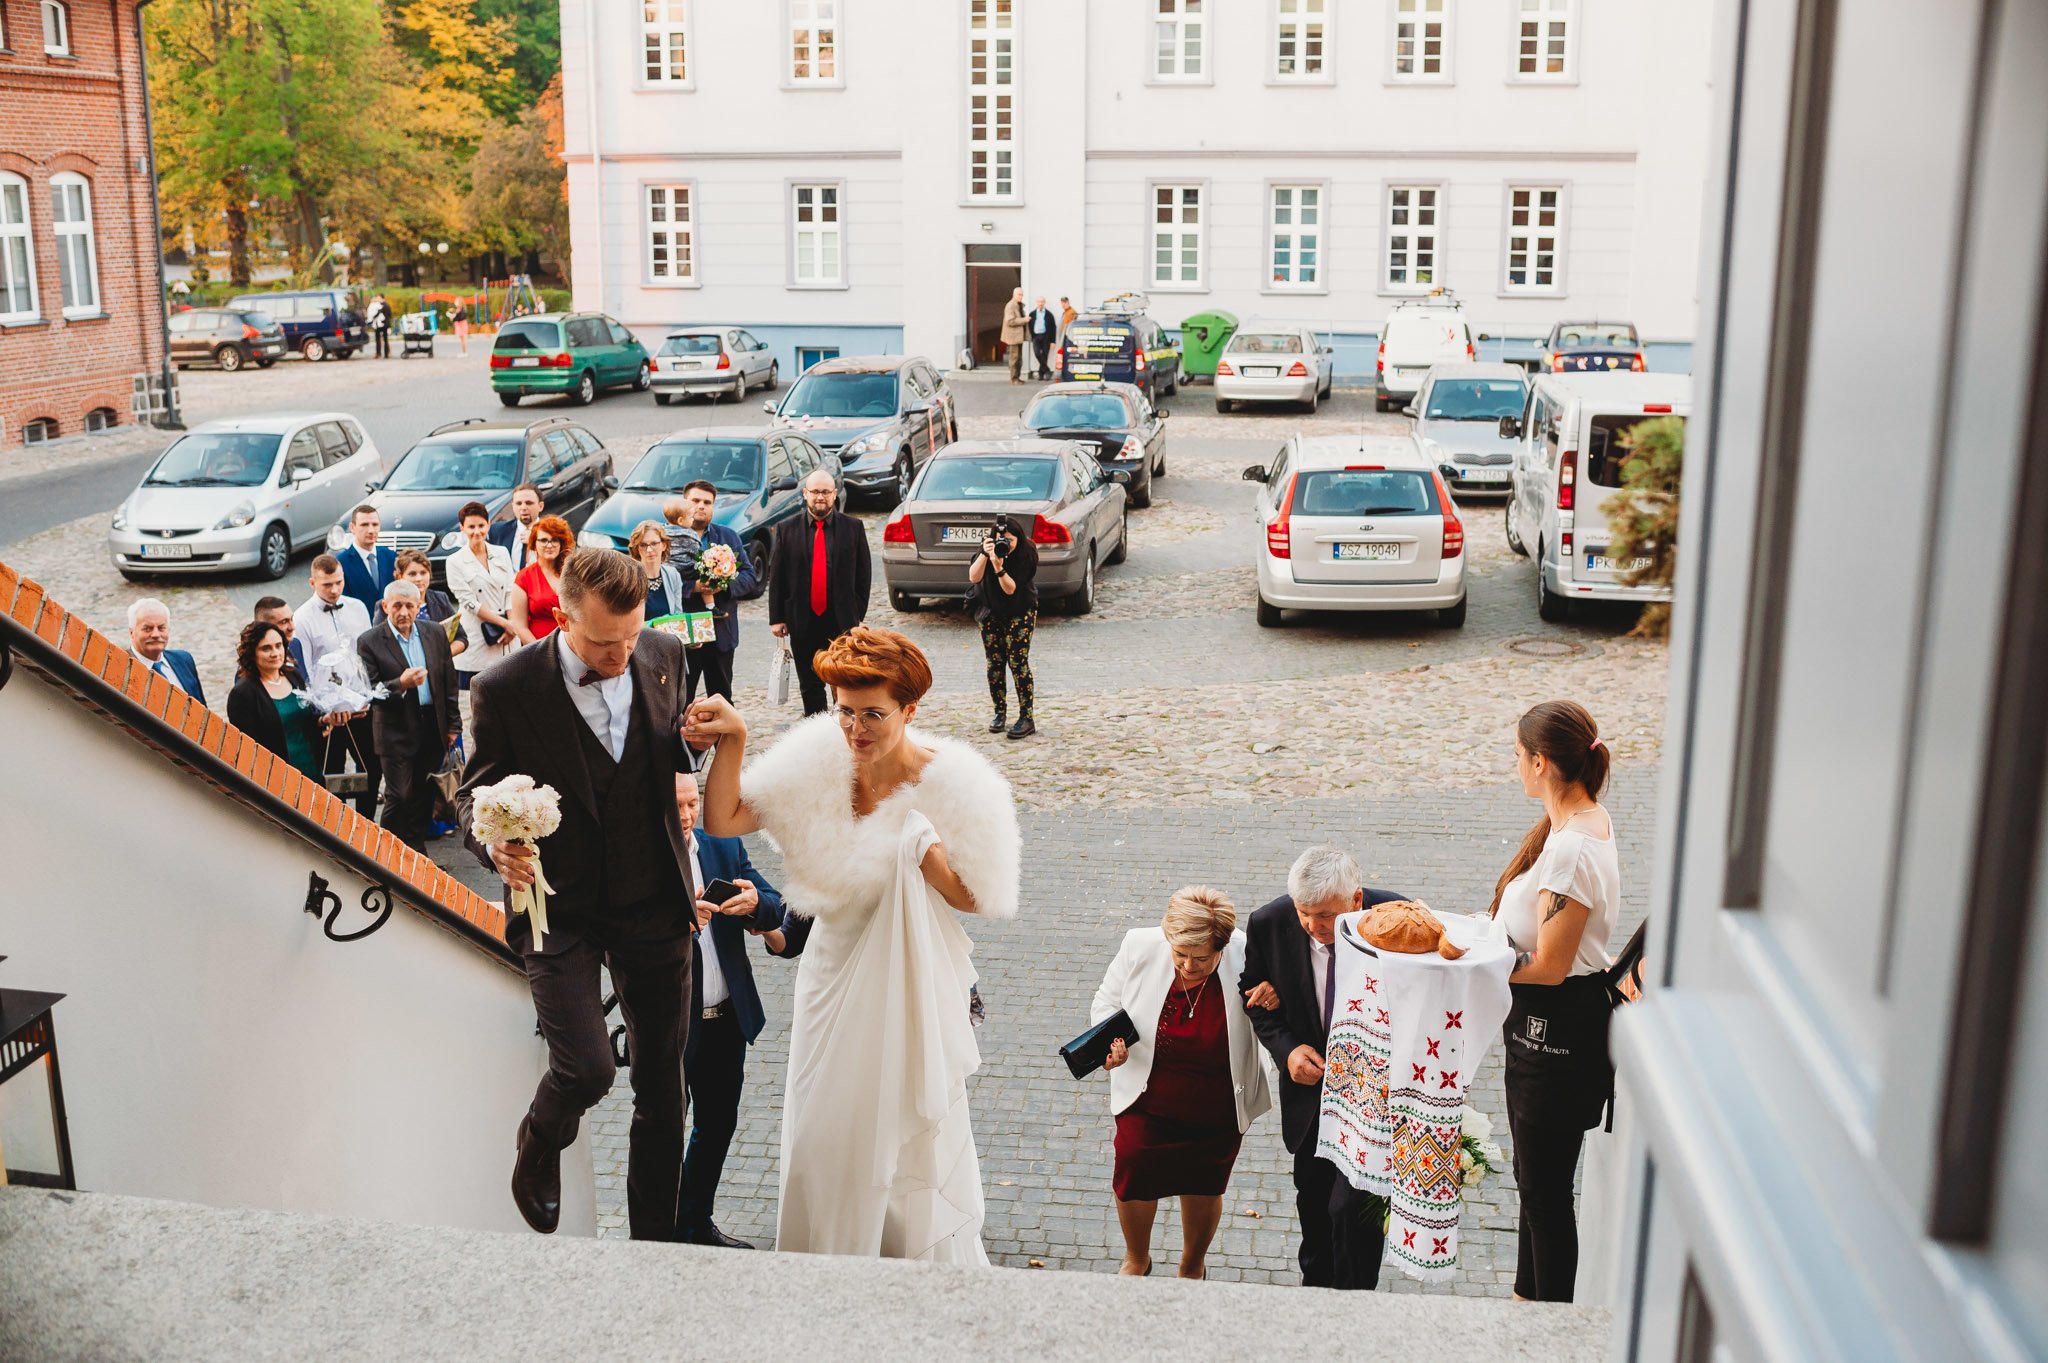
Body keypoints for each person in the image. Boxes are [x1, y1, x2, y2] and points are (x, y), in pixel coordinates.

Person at [682, 627, 1021, 1262]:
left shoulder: (953, 783)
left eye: (873, 714)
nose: (855, 729)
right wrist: (736, 738)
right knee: (819, 1134)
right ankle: (827, 1259)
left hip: (904, 981)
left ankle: (898, 1259)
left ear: (909, 710)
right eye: (843, 710)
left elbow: (979, 896)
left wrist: (922, 850)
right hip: (830, 974)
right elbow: (723, 818)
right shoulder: (819, 757)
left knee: (894, 1130)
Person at [457, 548, 704, 1240]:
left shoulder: (661, 652)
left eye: (630, 635)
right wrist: (493, 845)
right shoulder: (506, 687)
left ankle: (657, 1246)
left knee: (664, 1090)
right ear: (563, 617)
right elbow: (473, 792)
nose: (623, 652)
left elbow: (672, 740)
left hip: (654, 898)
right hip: (557, 905)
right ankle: (540, 1136)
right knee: (589, 1068)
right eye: (603, 641)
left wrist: (686, 771)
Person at [1488, 699, 1621, 1303]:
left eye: (1518, 756)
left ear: (1540, 762)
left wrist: (1475, 963)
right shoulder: (1581, 822)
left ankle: (1549, 1326)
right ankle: (1525, 1300)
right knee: (1534, 1183)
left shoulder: (1569, 850)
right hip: (1550, 1023)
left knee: (1544, 1193)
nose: (1514, 766)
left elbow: (1549, 966)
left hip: (1558, 1028)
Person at [1240, 845, 1412, 1290]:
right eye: (1305, 913)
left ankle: (1356, 1300)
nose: (1315, 928)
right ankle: (1314, 1298)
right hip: (1311, 1103)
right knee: (1314, 1207)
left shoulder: (1400, 918)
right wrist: (1288, 1049)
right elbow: (1253, 998)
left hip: (1374, 1102)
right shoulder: (1269, 923)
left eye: (1326, 917)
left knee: (1353, 1211)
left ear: (1356, 901)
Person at [1093, 886, 1271, 1280]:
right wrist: (1111, 1046)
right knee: (1133, 1173)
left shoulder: (1250, 953)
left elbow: (1276, 1012)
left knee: (1205, 1185)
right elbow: (1106, 1002)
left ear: (1222, 947)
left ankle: (1192, 1264)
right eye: (1180, 955)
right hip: (1147, 1095)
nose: (1188, 966)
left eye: (1202, 958)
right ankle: (1137, 1257)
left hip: (1218, 1102)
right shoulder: (1139, 944)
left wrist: (1275, 998)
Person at [671, 772, 808, 1249]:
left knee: (717, 1126)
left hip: (726, 1018)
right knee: (666, 1131)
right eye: (677, 806)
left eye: (694, 803)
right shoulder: (641, 856)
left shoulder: (721, 845)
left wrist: (753, 905)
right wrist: (679, 920)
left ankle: (694, 1224)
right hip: (671, 1025)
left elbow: (775, 906)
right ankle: (662, 1232)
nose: (688, 816)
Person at [357, 580, 460, 849]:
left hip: (431, 725)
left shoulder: (434, 632)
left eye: (409, 606)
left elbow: (448, 678)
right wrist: (400, 684)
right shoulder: (370, 641)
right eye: (397, 605)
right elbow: (369, 689)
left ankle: (416, 851)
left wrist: (453, 724)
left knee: (424, 793)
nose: (403, 611)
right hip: (394, 729)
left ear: (418, 607)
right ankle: (386, 852)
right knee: (399, 795)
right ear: (385, 606)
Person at [767, 471, 869, 716]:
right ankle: (817, 729)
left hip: (841, 621)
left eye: (825, 492)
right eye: (815, 492)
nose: (820, 497)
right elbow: (777, 575)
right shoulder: (786, 529)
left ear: (834, 494)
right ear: (805, 494)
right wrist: (776, 617)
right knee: (810, 685)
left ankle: (843, 726)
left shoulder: (853, 528)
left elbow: (863, 575)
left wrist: (856, 615)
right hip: (802, 620)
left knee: (842, 681)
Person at [293, 554, 379, 816]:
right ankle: (336, 827)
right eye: (326, 585)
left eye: (338, 583)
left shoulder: (358, 608)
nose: (334, 590)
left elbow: (365, 657)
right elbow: (305, 671)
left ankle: (367, 822)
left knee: (372, 766)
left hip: (360, 706)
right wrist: (327, 711)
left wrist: (365, 697)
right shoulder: (302, 618)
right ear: (312, 583)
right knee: (332, 772)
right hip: (329, 713)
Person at [670, 479, 758, 704]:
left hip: (721, 632)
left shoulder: (728, 537)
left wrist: (723, 584)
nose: (701, 506)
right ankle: (683, 740)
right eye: (695, 500)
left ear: (713, 507)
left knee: (721, 698)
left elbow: (749, 577)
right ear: (684, 503)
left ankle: (724, 740)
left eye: (707, 502)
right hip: (685, 634)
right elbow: (656, 579)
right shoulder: (668, 538)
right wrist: (693, 588)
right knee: (681, 699)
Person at [227, 619, 331, 779]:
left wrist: (325, 720)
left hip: (311, 767)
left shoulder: (293, 675)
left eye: (278, 645)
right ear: (252, 653)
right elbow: (248, 749)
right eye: (266, 648)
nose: (275, 653)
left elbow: (306, 720)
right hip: (276, 777)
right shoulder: (242, 694)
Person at [967, 514, 1037, 739]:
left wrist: (998, 566)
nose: (1005, 544)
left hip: (1020, 611)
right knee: (995, 664)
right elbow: (973, 577)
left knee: (1018, 662)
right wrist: (986, 555)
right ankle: (999, 712)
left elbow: (1010, 589)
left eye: (1010, 540)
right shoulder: (987, 550)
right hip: (991, 612)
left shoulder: (1027, 554)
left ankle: (1027, 717)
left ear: (1018, 539)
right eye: (1001, 540)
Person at [446, 502, 518, 679]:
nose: (476, 532)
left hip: (508, 636)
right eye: (471, 527)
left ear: (488, 525)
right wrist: (505, 624)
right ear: (462, 528)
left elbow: (510, 589)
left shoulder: (501, 552)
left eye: (481, 526)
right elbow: (470, 603)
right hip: (479, 636)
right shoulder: (455, 561)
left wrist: (512, 624)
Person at [125, 598, 205, 705]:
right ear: (131, 632)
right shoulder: (123, 667)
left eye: (161, 628)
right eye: (147, 629)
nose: (156, 634)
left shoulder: (184, 660)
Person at [509, 516, 574, 642]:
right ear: (534, 544)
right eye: (543, 540)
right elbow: (520, 627)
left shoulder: (572, 573)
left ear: (562, 543)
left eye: (555, 540)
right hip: (538, 648)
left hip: (572, 645)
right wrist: (540, 653)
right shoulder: (524, 577)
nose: (549, 545)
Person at [393, 549, 467, 659]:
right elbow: (381, 645)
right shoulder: (389, 605)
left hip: (439, 671)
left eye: (423, 573)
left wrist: (440, 658)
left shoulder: (441, 599)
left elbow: (462, 638)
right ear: (400, 577)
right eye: (412, 574)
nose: (419, 578)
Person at [338, 504, 397, 618]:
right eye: (364, 525)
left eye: (375, 524)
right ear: (352, 527)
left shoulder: (390, 557)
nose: (371, 530)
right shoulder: (341, 562)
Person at [629, 520, 688, 623]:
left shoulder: (673, 574)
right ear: (637, 549)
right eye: (643, 545)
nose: (649, 550)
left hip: (667, 637)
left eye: (654, 543)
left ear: (664, 545)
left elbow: (678, 616)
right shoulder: (630, 578)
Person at [489, 485, 545, 573]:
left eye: (529, 503)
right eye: (518, 503)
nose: (523, 508)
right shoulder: (498, 530)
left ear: (540, 506)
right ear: (513, 506)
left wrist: (535, 541)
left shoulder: (554, 532)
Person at [252, 595, 307, 683]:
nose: (292, 627)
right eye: (284, 622)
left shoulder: (295, 644)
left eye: (291, 619)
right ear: (263, 625)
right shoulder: (251, 663)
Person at [1001, 286, 1027, 383]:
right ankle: (1013, 378)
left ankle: (1017, 377)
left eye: (1022, 295)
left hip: (1018, 337)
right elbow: (1010, 321)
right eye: (1019, 295)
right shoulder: (1010, 306)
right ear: (1014, 295)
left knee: (1018, 358)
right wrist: (1024, 320)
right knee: (1014, 358)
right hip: (1013, 337)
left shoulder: (1018, 305)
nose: (1021, 297)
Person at [1028, 296, 1058, 380]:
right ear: (1036, 303)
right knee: (1037, 353)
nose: (1040, 303)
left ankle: (1041, 374)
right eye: (1039, 302)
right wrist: (1031, 336)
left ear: (1044, 303)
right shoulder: (1032, 314)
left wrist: (1053, 341)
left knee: (1045, 355)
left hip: (1046, 337)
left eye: (1042, 302)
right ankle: (1047, 370)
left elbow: (1053, 328)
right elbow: (1029, 326)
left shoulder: (1049, 314)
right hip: (1036, 337)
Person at [366, 293, 393, 359]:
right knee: (384, 339)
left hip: (381, 324)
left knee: (380, 339)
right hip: (384, 324)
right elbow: (390, 315)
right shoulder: (386, 305)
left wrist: (371, 320)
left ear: (381, 298)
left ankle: (380, 353)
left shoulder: (380, 306)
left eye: (378, 297)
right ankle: (385, 354)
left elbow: (376, 314)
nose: (377, 299)